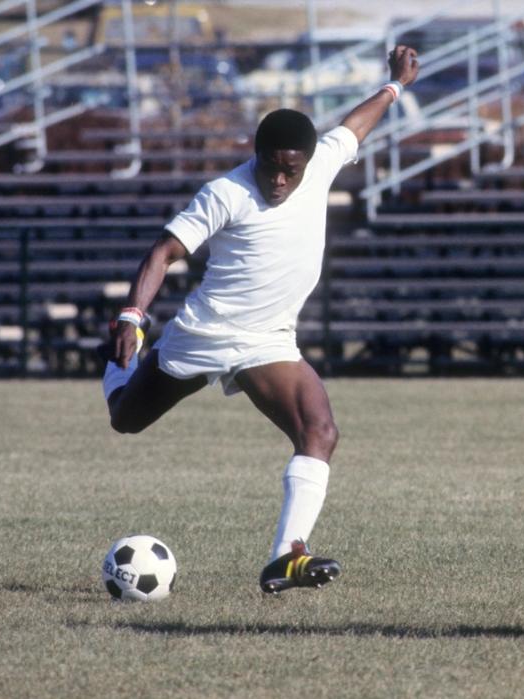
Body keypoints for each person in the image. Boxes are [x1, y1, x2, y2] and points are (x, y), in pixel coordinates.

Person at [101, 46, 420, 594]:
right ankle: (114, 364)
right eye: (270, 166)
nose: (278, 179)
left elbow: (356, 126)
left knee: (319, 431)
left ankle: (286, 557)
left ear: (308, 160)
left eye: (289, 170)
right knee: (125, 419)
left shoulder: (320, 162)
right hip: (205, 334)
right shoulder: (225, 192)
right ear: (257, 154)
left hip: (268, 340)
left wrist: (395, 85)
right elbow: (162, 254)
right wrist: (133, 314)